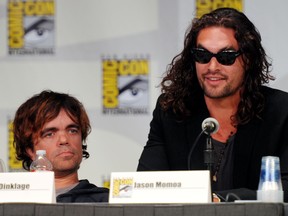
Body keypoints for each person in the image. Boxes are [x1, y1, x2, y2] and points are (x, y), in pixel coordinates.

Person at [137, 7, 288, 202]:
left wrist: (218, 199)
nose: (212, 67)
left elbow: (285, 188)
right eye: (203, 55)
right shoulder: (172, 110)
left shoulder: (280, 112)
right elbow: (146, 186)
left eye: (226, 57)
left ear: (248, 59)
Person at [13, 90, 109, 203]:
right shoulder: (11, 201)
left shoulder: (107, 201)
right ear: (29, 150)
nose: (64, 140)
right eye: (50, 134)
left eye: (72, 131)